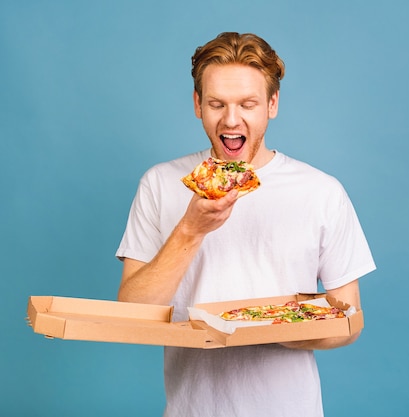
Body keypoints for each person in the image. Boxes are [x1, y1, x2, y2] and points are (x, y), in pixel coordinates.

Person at [115, 32, 376, 417]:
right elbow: (131, 316)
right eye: (217, 104)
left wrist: (273, 328)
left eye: (247, 104)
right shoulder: (160, 183)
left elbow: (350, 322)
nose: (231, 119)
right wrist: (191, 230)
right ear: (197, 104)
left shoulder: (322, 191)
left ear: (272, 104)